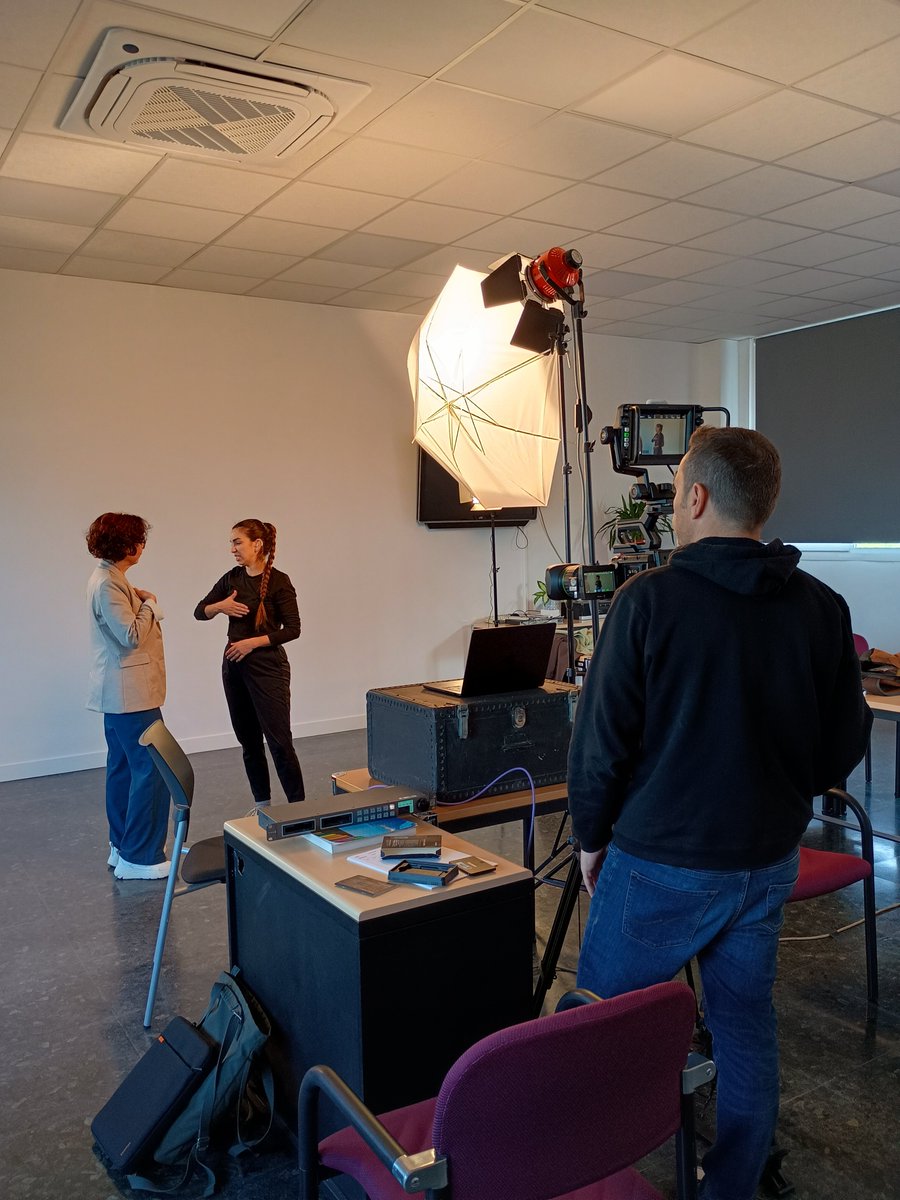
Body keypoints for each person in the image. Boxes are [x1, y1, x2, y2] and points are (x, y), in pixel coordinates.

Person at [567, 426, 871, 1200]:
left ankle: (581, 1175)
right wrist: (779, 794)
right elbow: (844, 739)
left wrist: (592, 839)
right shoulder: (823, 608)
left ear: (696, 498)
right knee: (744, 1024)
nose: (673, 507)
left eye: (674, 495)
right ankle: (730, 1182)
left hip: (661, 862)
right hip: (768, 860)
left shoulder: (646, 603)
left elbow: (601, 743)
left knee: (597, 1033)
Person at [194, 519, 305, 806]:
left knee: (280, 742)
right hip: (234, 668)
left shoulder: (280, 581)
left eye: (237, 542)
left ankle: (299, 809)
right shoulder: (232, 578)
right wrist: (221, 607)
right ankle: (262, 806)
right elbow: (199, 611)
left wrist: (251, 643)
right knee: (249, 742)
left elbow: (293, 629)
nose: (232, 548)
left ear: (257, 545)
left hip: (268, 668)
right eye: (232, 542)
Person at [86, 513, 170, 881]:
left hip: (120, 694)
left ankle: (122, 846)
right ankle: (141, 856)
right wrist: (151, 605)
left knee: (123, 768)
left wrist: (140, 600)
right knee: (152, 770)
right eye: (139, 539)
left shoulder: (111, 578)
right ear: (127, 545)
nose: (143, 545)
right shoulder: (109, 584)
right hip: (130, 695)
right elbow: (130, 636)